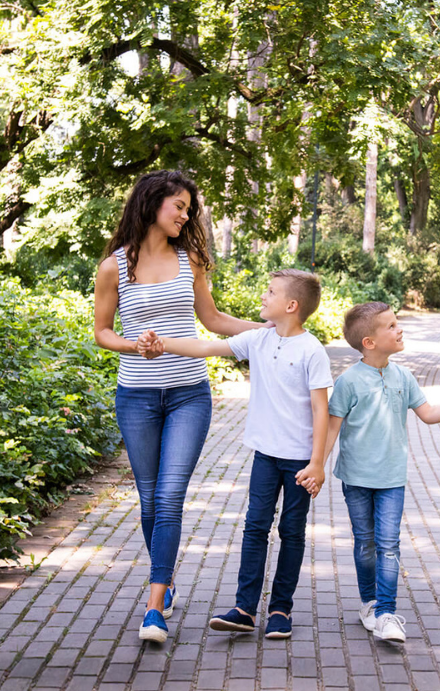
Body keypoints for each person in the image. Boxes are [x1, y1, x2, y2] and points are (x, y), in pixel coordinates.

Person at [93, 170, 267, 644]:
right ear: (153, 204)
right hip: (137, 397)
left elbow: (211, 318)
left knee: (168, 497)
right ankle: (166, 581)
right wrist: (134, 347)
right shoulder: (114, 267)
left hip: (190, 393)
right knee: (149, 500)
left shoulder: (192, 260)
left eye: (189, 209)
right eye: (180, 207)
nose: (186, 215)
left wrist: (268, 330)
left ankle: (154, 610)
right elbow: (102, 332)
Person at [140, 269, 332, 640]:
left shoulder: (312, 350)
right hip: (264, 455)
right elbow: (206, 346)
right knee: (255, 528)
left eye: (270, 291)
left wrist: (317, 462)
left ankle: (280, 610)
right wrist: (162, 343)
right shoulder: (258, 340)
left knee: (291, 532)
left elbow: (321, 409)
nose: (263, 295)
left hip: (299, 462)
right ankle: (245, 609)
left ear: (291, 305)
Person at [315, 302, 440, 642]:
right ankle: (370, 603)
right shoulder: (347, 382)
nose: (399, 329)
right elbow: (332, 429)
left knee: (388, 544)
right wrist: (317, 464)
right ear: (369, 343)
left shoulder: (403, 376)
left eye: (397, 322)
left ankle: (387, 613)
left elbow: (429, 413)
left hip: (392, 478)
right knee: (365, 543)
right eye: (391, 326)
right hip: (356, 478)